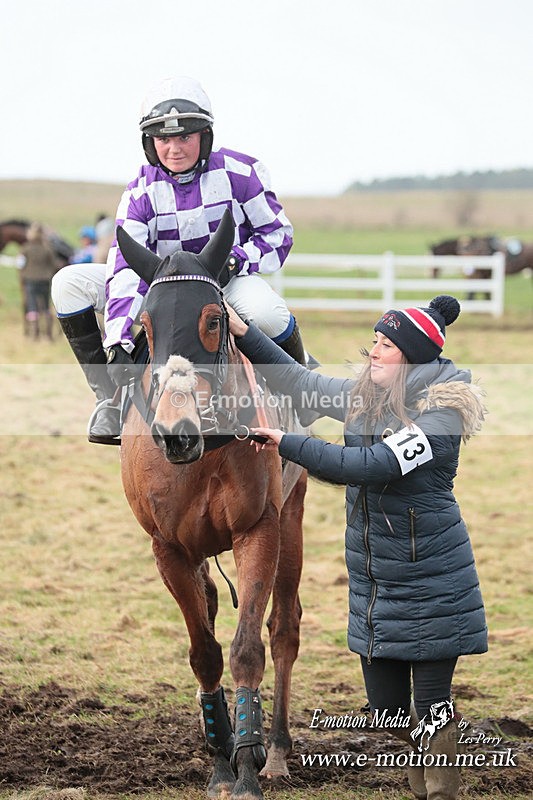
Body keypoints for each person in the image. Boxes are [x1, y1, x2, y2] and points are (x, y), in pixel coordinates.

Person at [228, 295, 487, 800]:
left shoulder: (441, 419)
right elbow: (301, 381)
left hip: (433, 577)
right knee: (389, 712)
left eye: (386, 345)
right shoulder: (365, 395)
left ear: (411, 357)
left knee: (432, 706)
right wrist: (243, 333)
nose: (374, 351)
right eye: (373, 341)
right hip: (376, 579)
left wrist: (286, 442)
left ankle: (438, 791)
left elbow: (365, 468)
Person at [51, 76, 307, 444]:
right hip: (161, 288)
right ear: (150, 143)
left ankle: (301, 390)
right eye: (164, 139)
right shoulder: (139, 190)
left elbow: (278, 235)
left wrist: (236, 259)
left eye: (184, 137)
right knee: (67, 284)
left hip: (225, 281)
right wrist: (118, 338)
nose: (174, 149)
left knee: (268, 313)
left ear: (205, 136)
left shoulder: (242, 172)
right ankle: (110, 396)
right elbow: (124, 266)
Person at [16, 222, 58, 340]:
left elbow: (20, 265)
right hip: (45, 281)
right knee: (45, 307)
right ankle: (48, 335)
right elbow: (53, 265)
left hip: (30, 281)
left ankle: (34, 334)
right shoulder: (47, 249)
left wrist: (21, 278)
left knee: (32, 306)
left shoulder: (25, 249)